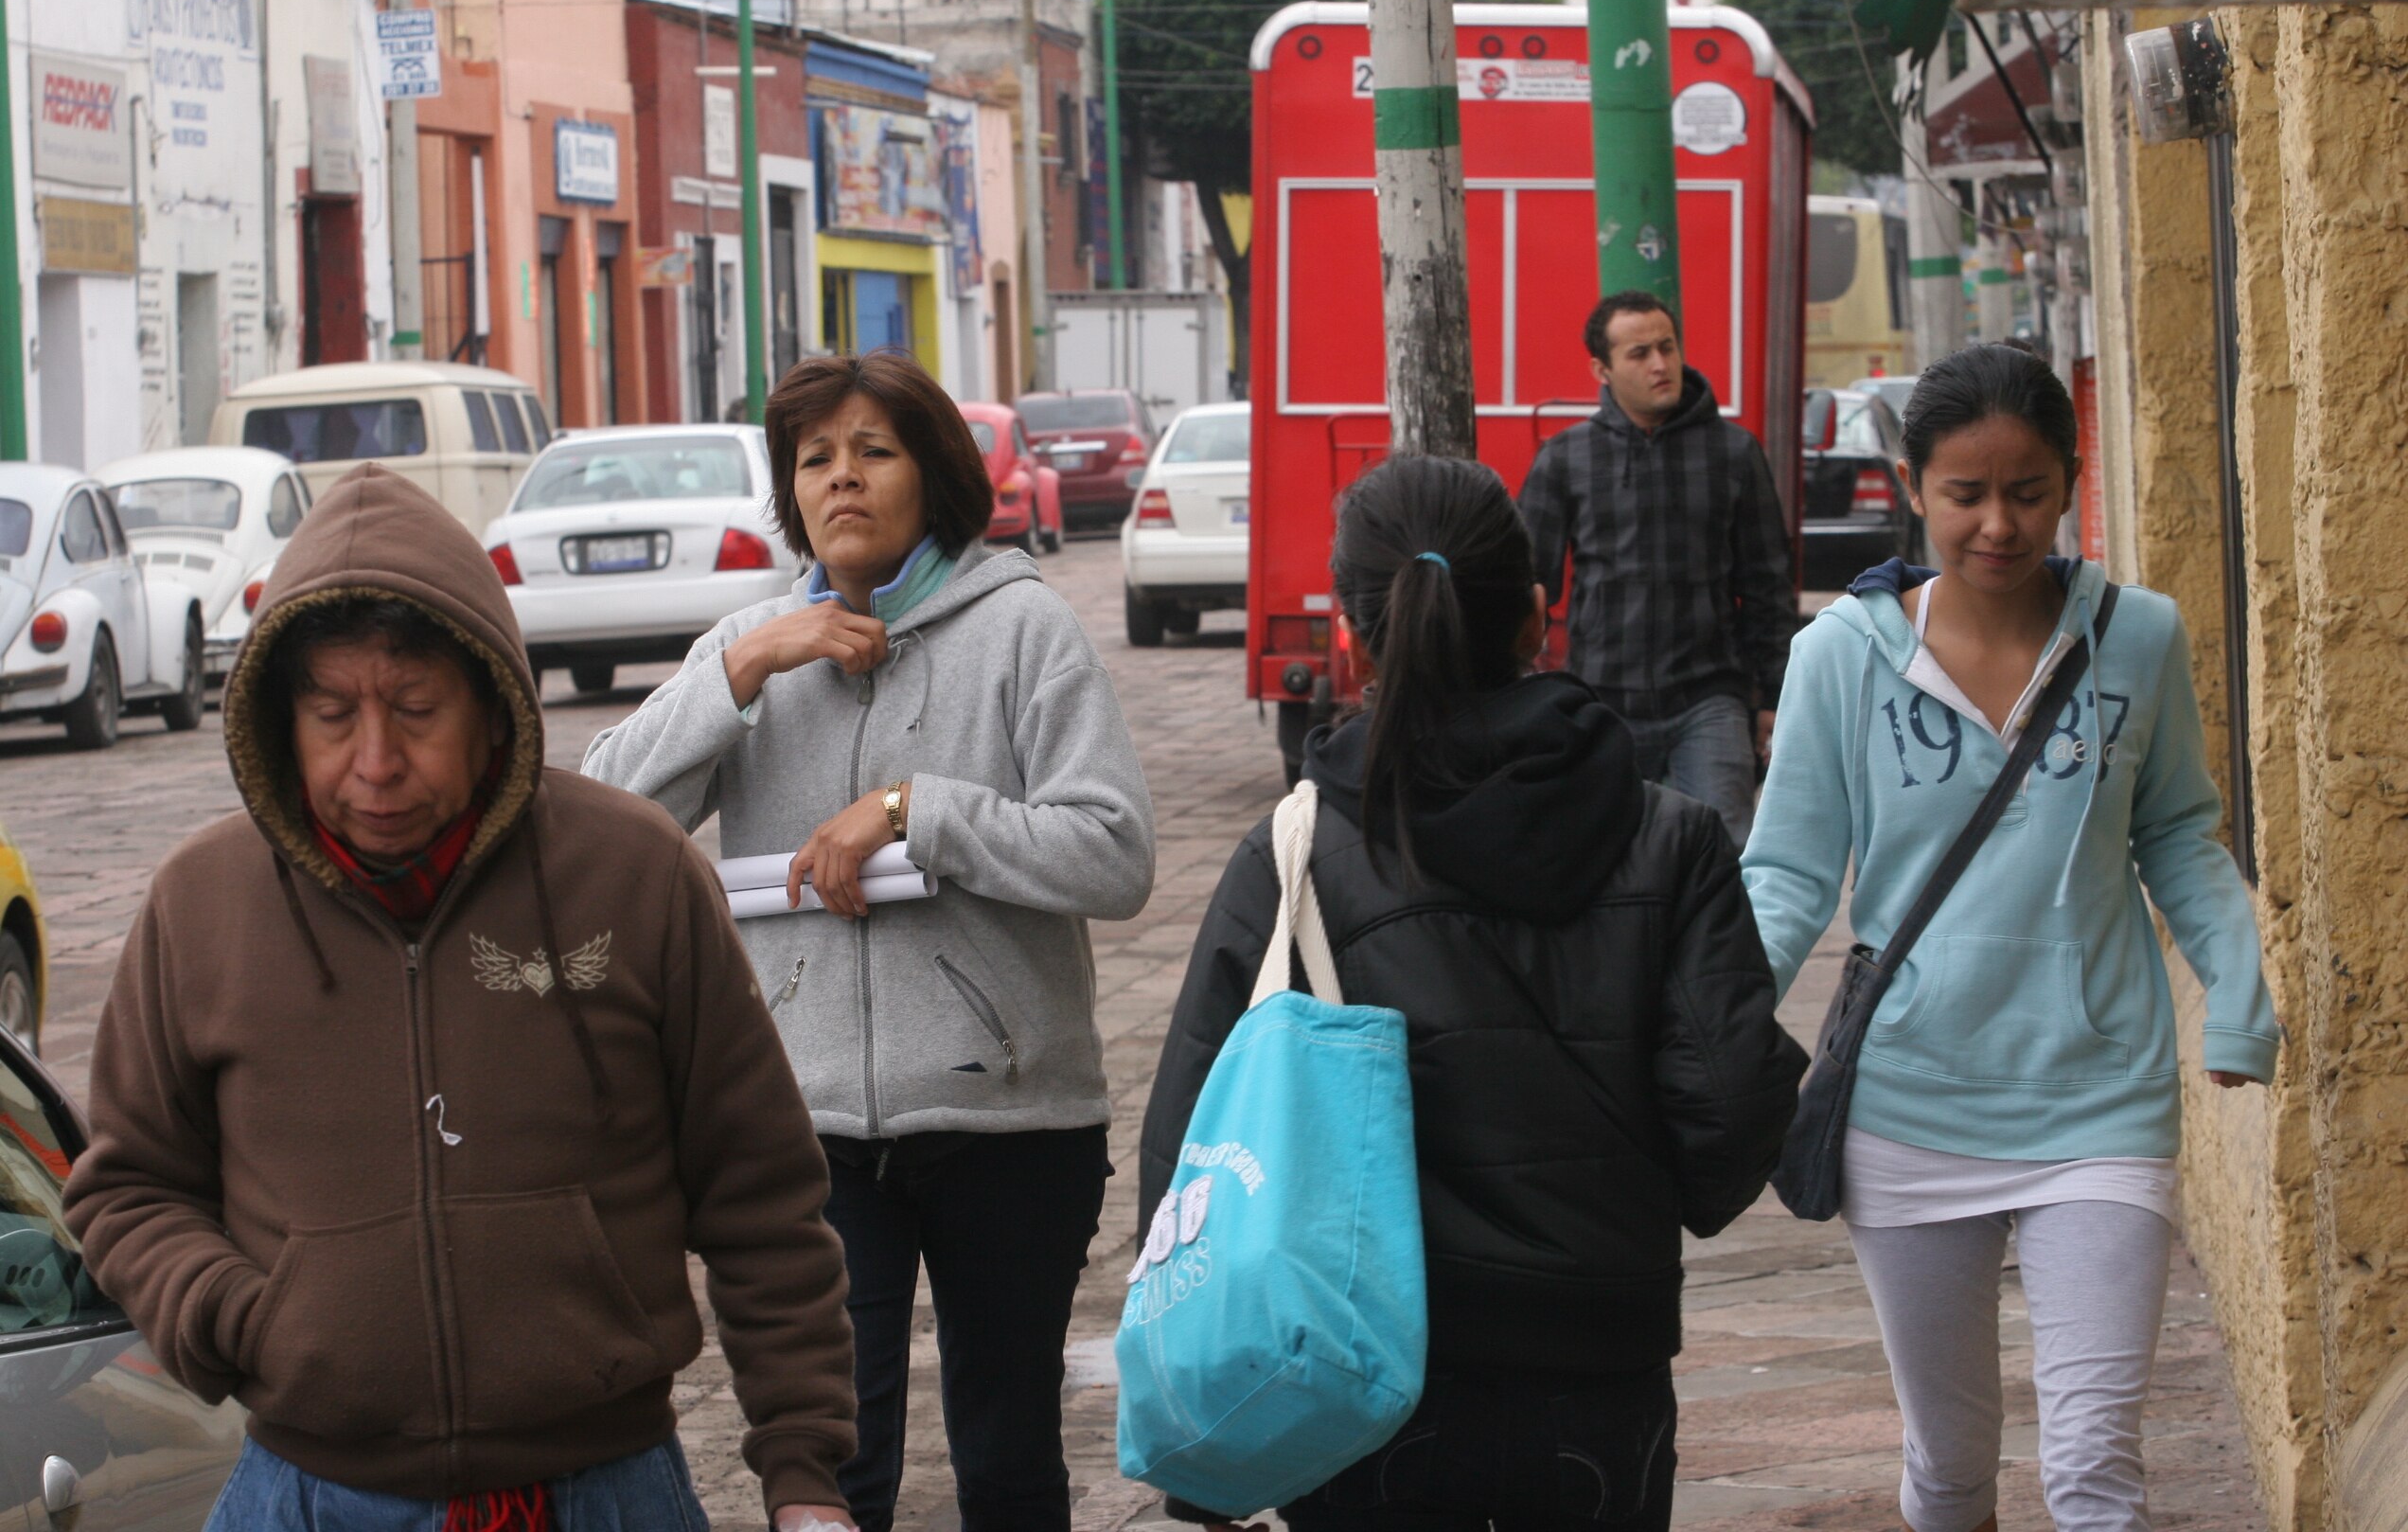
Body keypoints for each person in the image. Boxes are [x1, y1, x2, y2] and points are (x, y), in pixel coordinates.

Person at [62, 462, 859, 1532]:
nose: (376, 760)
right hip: (305, 1495)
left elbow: (763, 1195)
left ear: (491, 703)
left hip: (604, 1489)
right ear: (279, 717)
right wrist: (244, 1317)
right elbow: (126, 1190)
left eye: (417, 709)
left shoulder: (637, 874)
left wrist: (802, 1471)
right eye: (333, 714)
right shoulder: (200, 906)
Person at [1141, 454, 1806, 1532]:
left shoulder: (1298, 856)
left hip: (1359, 1380)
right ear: (1540, 612)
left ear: (1354, 634)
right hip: (1602, 1368)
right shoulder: (1669, 837)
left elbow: (1191, 1154)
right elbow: (1727, 1128)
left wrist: (1199, 1409)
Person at [583, 348, 1156, 1532]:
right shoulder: (751, 646)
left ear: (933, 475)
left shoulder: (1024, 630)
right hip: (809, 1129)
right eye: (815, 458)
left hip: (1013, 1119)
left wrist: (916, 810)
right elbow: (598, 827)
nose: (841, 478)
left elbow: (1114, 854)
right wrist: (742, 669)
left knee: (1007, 1460)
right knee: (834, 1468)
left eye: (873, 452)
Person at [1742, 345, 2281, 1532]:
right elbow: (1785, 878)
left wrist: (2238, 998)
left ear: (2070, 479)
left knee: (2095, 1470)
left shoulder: (2137, 640)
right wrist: (1705, 1034)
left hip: (2099, 1104)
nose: (1998, 523)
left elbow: (2182, 833)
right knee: (1951, 1469)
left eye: (2028, 491)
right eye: (1965, 494)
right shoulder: (1840, 656)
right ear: (1912, 486)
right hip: (1906, 1114)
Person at [1516, 290, 1797, 846]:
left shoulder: (1733, 452)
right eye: (1639, 353)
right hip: (1600, 699)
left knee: (1725, 860)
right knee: (1599, 859)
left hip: (1708, 698)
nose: (1660, 365)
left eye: (1667, 347)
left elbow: (1768, 583)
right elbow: (1528, 586)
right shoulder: (1566, 458)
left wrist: (1773, 698)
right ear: (1601, 368)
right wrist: (1525, 694)